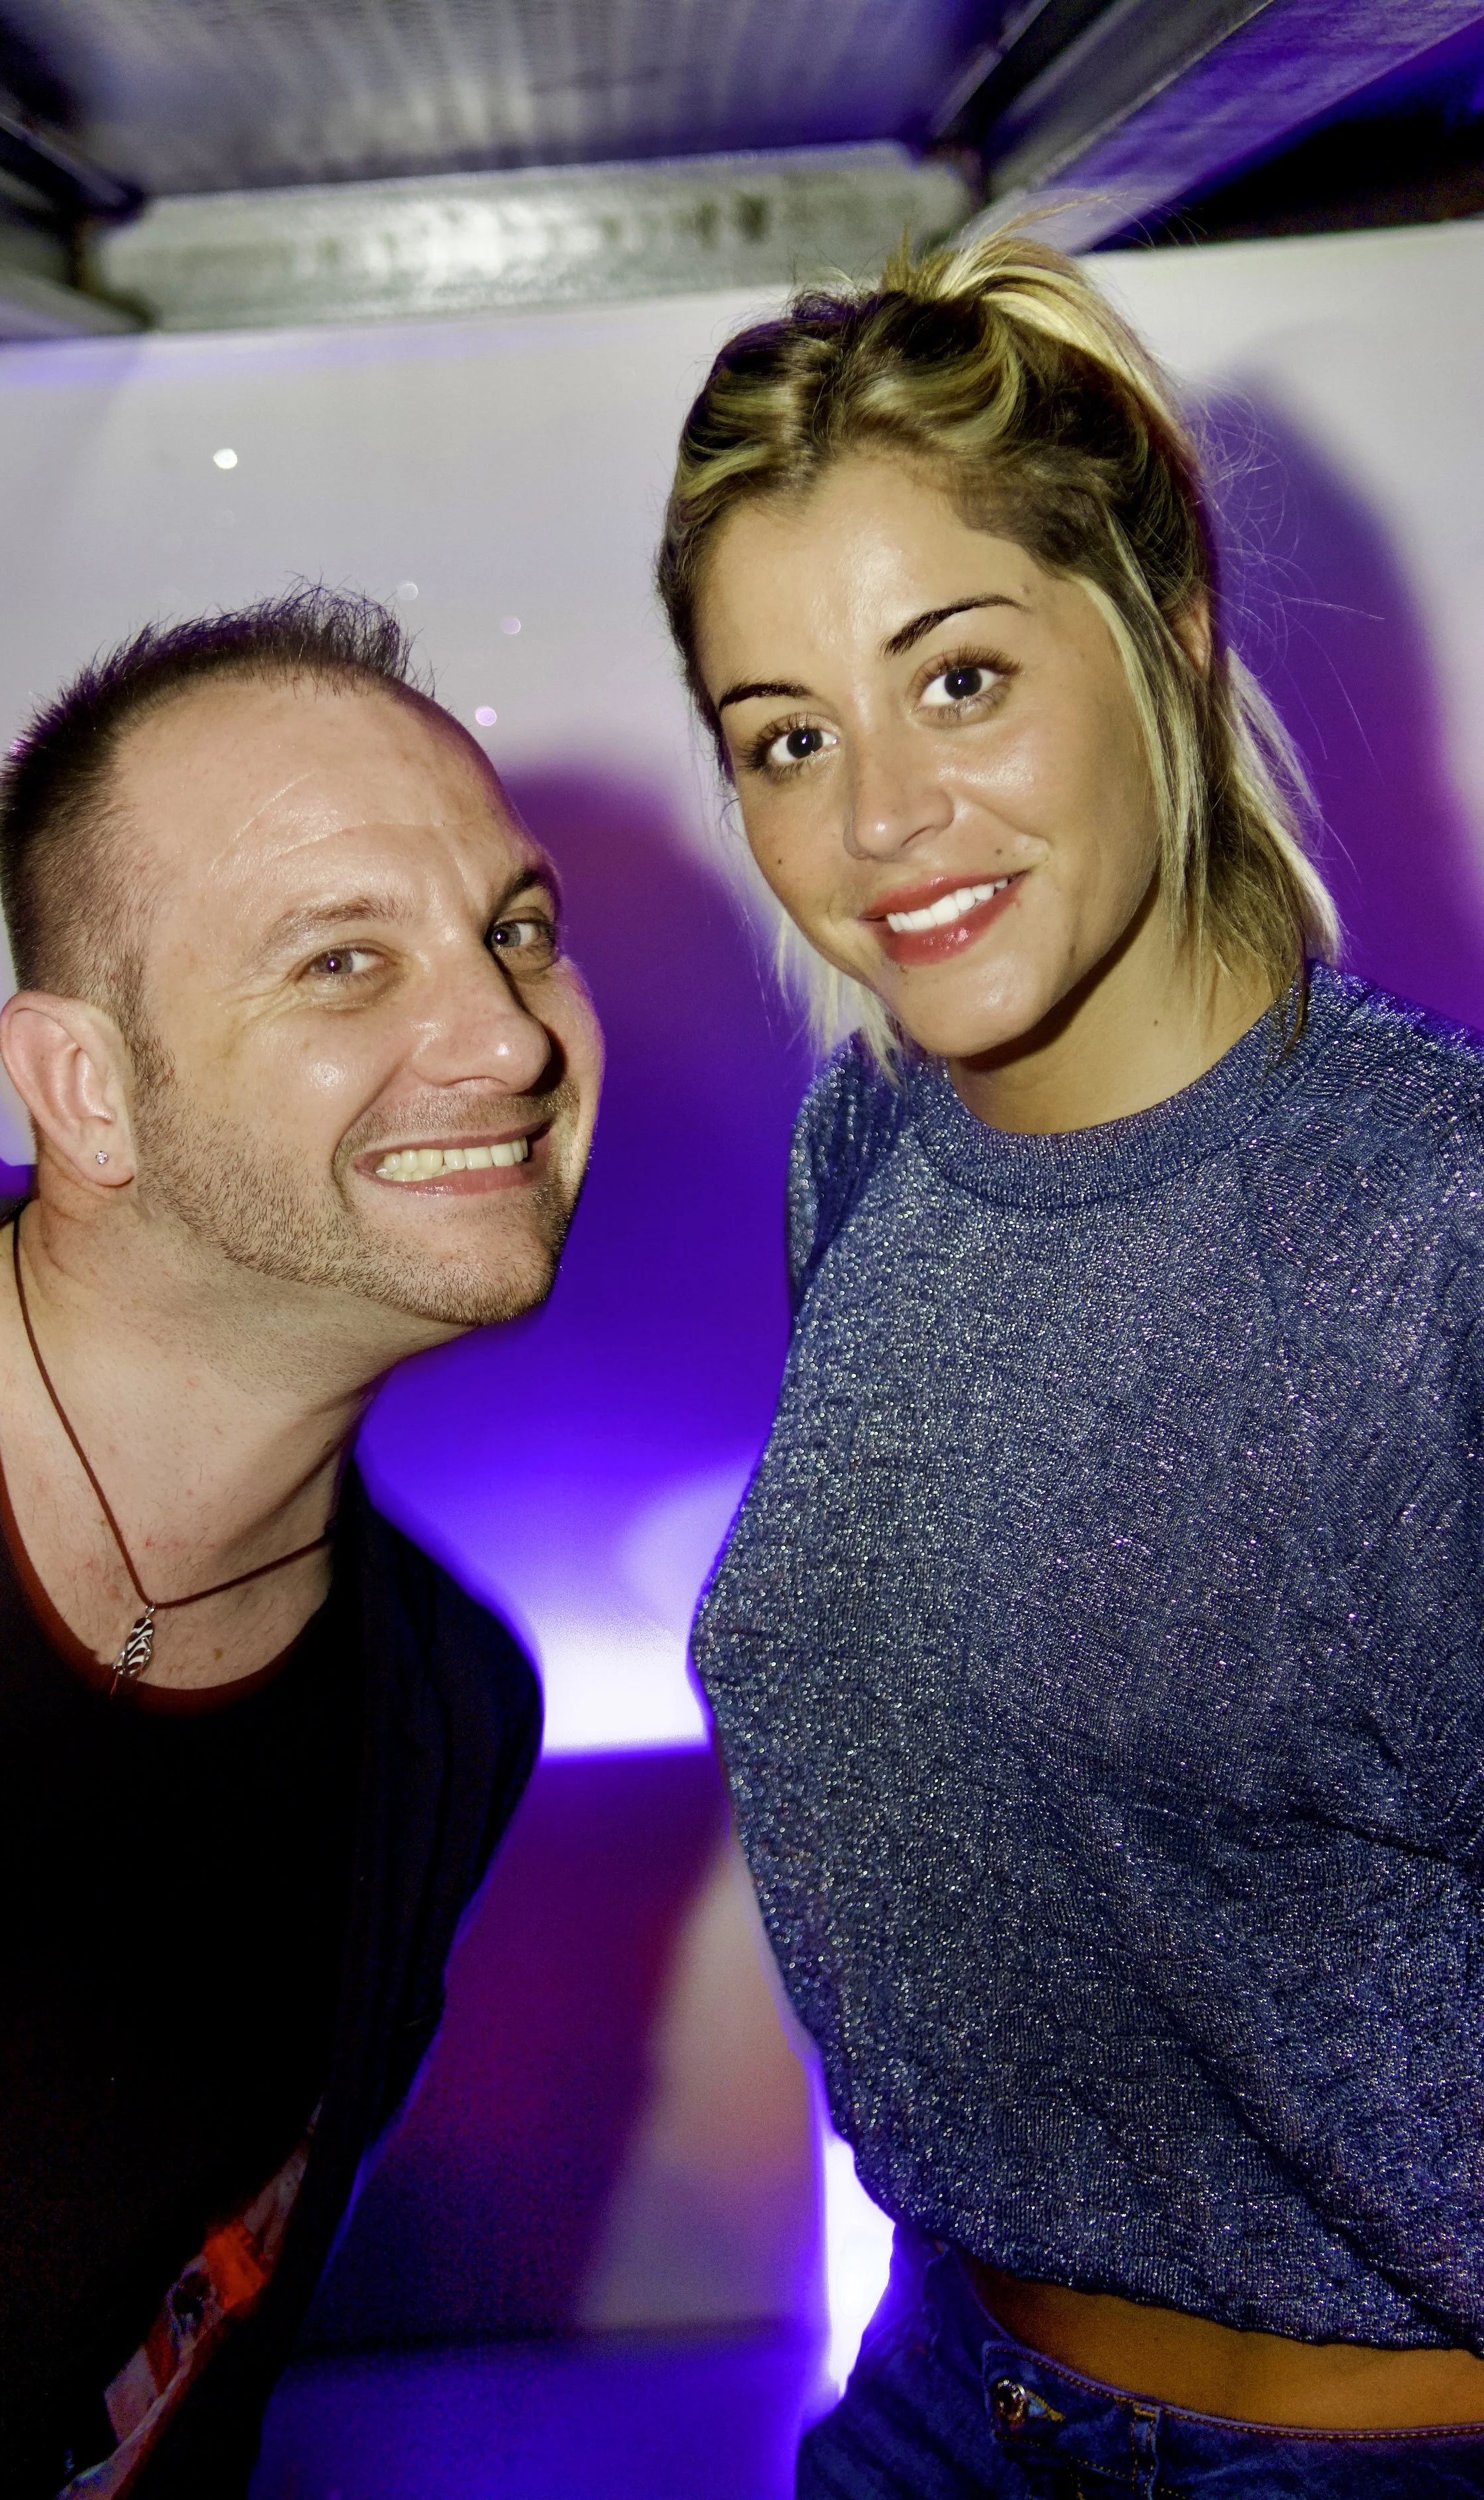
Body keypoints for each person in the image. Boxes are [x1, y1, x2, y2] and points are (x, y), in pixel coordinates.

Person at [656, 233, 1484, 2494]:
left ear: (1164, 631)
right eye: (787, 738)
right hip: (948, 2394)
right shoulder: (861, 1150)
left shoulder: (1434, 1237)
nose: (876, 826)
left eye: (957, 681)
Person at [0, 587, 601, 2498]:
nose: (506, 1036)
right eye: (343, 961)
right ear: (86, 1088)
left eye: (514, 930)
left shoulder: (444, 1723)